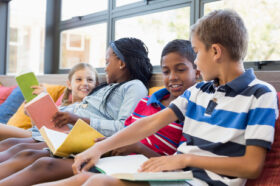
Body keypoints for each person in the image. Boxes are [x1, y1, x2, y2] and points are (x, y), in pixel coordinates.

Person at [51, 9, 277, 186]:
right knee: (85, 177)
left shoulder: (260, 94)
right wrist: (98, 149)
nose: (196, 62)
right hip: (174, 175)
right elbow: (150, 122)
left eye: (196, 52)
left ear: (216, 52)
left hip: (200, 182)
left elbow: (251, 166)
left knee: (97, 182)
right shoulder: (199, 91)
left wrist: (184, 159)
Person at [34, 39, 200, 186]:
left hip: (146, 168)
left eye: (180, 70)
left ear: (197, 71)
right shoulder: (145, 103)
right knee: (43, 160)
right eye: (166, 71)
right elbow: (124, 134)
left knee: (58, 168)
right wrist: (109, 143)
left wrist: (138, 147)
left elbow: (178, 162)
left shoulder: (193, 112)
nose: (172, 77)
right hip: (114, 160)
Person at [0, 37, 153, 185]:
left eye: (107, 62)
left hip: (82, 140)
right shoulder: (106, 87)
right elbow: (77, 110)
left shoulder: (135, 86)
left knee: (30, 155)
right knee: (15, 144)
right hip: (63, 133)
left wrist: (75, 119)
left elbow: (124, 128)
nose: (105, 67)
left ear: (120, 63)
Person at [0, 62, 99, 175]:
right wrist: (34, 112)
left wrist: (45, 102)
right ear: (69, 84)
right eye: (79, 79)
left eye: (90, 80)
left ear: (96, 84)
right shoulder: (63, 107)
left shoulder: (89, 109)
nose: (85, 83)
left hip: (50, 138)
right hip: (38, 134)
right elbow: (37, 127)